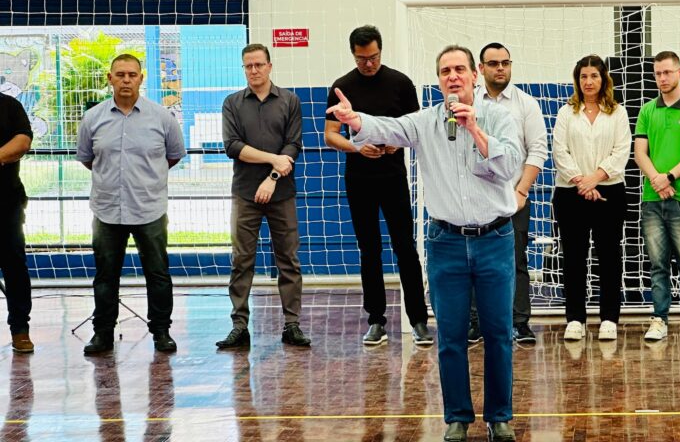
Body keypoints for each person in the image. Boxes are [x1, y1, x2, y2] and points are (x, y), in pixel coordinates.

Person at [327, 45, 521, 442]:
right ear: (438, 80)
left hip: (495, 239)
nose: (452, 77)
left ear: (475, 75)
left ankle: (499, 417)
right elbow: (387, 128)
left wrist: (474, 128)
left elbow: (509, 168)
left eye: (460, 70)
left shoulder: (500, 117)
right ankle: (457, 418)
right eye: (445, 71)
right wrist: (355, 119)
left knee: (499, 333)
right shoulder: (424, 122)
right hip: (445, 242)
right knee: (449, 335)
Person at [325, 25, 431, 346]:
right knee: (369, 250)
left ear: (380, 52)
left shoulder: (400, 83)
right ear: (353, 55)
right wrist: (357, 147)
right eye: (361, 59)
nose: (367, 64)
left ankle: (418, 320)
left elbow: (415, 130)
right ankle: (376, 320)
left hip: (393, 178)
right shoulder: (341, 86)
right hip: (359, 180)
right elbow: (331, 136)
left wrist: (395, 144)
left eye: (372, 58)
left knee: (405, 249)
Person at [76, 54, 186, 355]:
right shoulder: (93, 118)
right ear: (110, 78)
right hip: (107, 210)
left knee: (158, 274)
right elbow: (87, 159)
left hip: (149, 209)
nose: (126, 80)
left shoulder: (162, 117)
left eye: (132, 75)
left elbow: (174, 155)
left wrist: (145, 179)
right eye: (120, 74)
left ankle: (161, 332)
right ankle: (103, 334)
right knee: (105, 275)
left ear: (141, 78)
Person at [217, 43, 310, 349]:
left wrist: (272, 178)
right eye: (248, 66)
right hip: (244, 193)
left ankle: (292, 324)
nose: (253, 71)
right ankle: (239, 325)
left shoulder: (290, 101)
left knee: (288, 260)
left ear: (270, 66)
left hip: (281, 193)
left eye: (258, 65)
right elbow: (232, 146)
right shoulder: (232, 103)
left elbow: (292, 145)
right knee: (242, 259)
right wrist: (272, 160)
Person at [468, 42, 548, 345]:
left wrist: (522, 191)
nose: (500, 68)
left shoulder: (526, 104)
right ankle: (475, 322)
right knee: (473, 261)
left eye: (505, 62)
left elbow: (537, 150)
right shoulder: (469, 103)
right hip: (476, 200)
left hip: (514, 197)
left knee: (515, 261)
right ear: (481, 69)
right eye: (493, 63)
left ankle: (519, 323)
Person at [633, 51, 680, 343]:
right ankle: (659, 319)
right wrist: (656, 179)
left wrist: (669, 177)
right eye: (658, 74)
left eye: (667, 72)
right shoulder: (647, 111)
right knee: (658, 264)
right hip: (653, 200)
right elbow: (640, 152)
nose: (662, 78)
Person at [551, 55, 630, 342]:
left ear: (603, 78)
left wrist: (595, 178)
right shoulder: (565, 113)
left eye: (594, 75)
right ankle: (575, 319)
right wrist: (580, 182)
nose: (588, 81)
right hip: (570, 193)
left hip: (609, 191)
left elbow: (622, 151)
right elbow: (559, 151)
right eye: (583, 76)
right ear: (577, 80)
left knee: (609, 256)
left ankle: (609, 317)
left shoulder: (617, 113)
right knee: (573, 257)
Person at [0, 93, 34, 353]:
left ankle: (20, 330)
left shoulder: (10, 106)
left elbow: (22, 141)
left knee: (14, 265)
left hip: (6, 204)